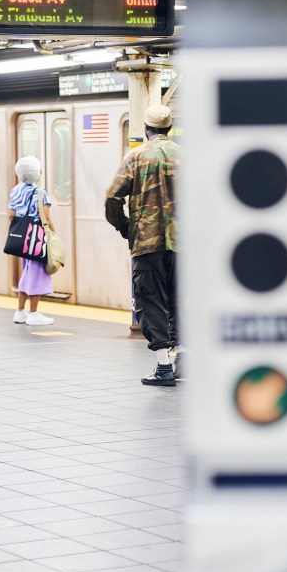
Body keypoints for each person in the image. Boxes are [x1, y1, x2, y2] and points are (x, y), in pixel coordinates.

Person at [105, 104, 180, 386]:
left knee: (151, 301)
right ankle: (184, 360)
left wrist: (126, 228)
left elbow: (112, 197)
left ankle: (164, 367)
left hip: (147, 245)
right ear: (169, 128)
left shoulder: (136, 157)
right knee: (180, 300)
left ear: (147, 129)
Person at [8, 155, 56, 326]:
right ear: (38, 173)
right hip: (36, 239)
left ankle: (20, 312)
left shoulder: (15, 191)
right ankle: (33, 314)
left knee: (27, 273)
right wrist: (53, 236)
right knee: (35, 275)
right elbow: (46, 218)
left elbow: (11, 215)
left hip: (23, 239)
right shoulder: (40, 193)